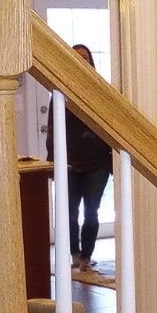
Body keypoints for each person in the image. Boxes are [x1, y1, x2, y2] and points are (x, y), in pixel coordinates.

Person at [47, 43, 113, 270]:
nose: (80, 61)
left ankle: (86, 256)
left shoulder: (102, 91)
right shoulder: (60, 92)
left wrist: (111, 159)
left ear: (91, 61)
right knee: (69, 212)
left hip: (98, 163)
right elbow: (53, 129)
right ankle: (74, 255)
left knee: (91, 211)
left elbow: (110, 126)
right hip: (69, 163)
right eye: (76, 57)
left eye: (84, 57)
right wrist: (52, 162)